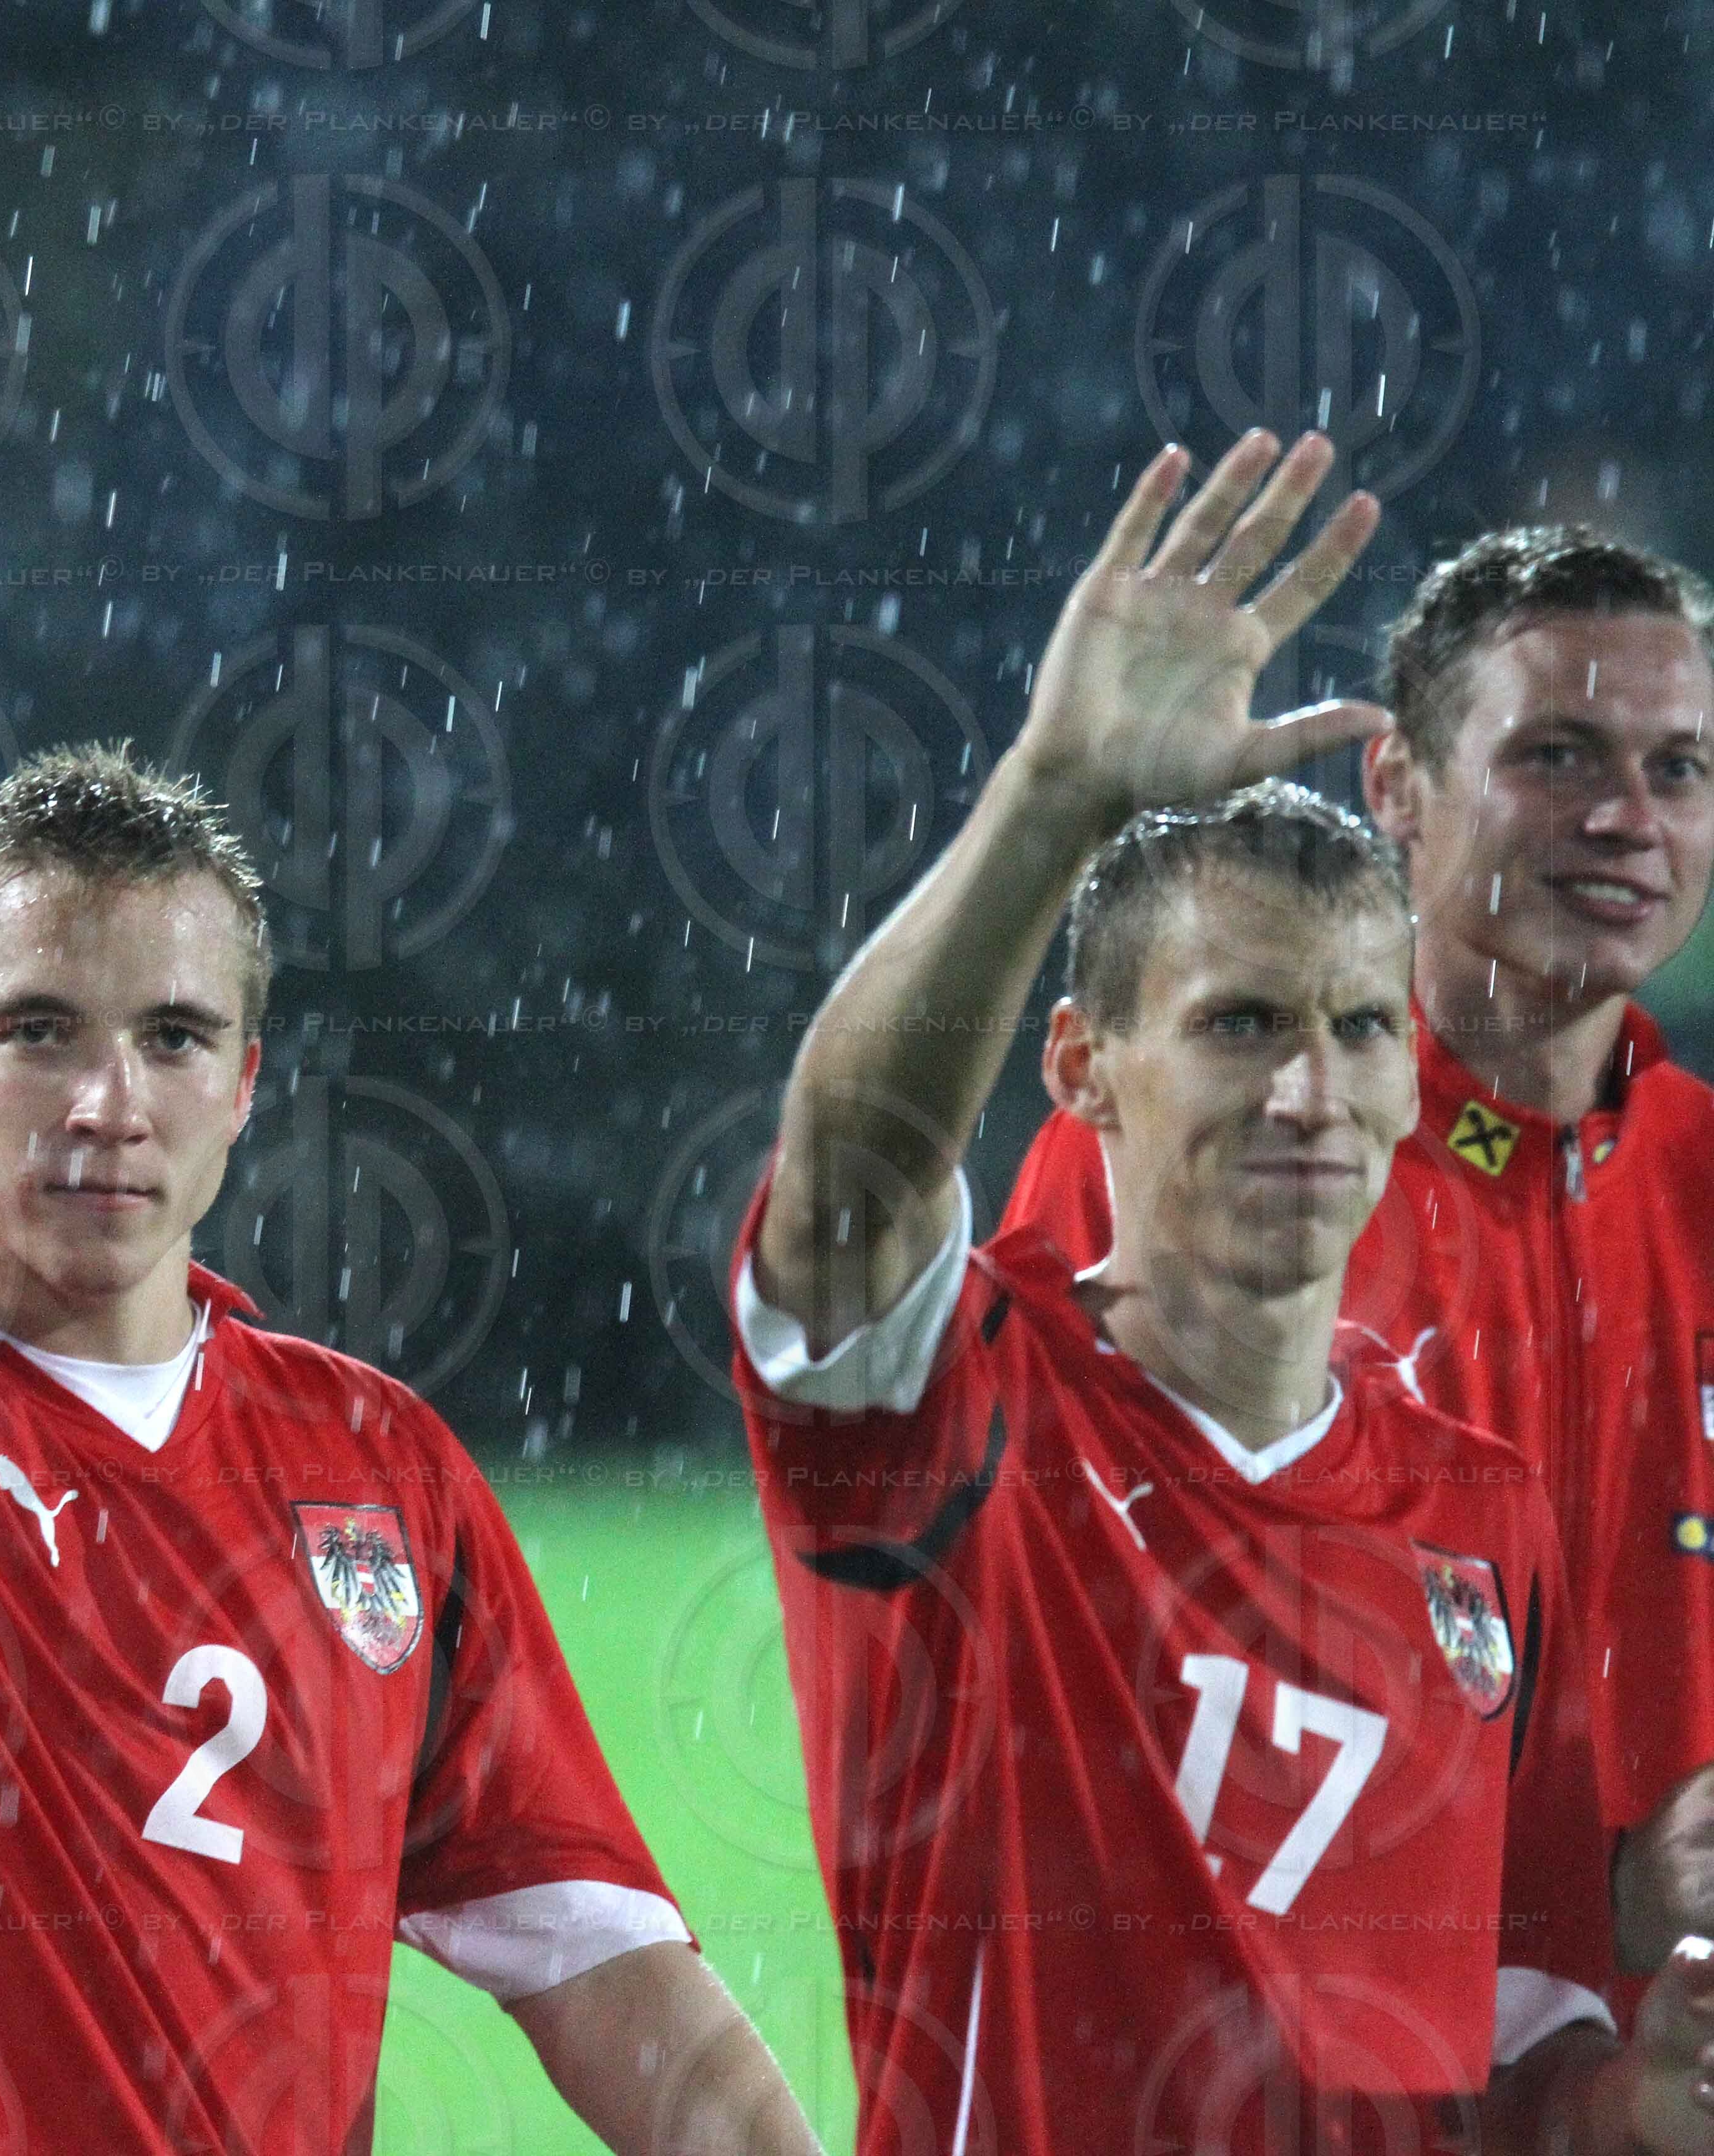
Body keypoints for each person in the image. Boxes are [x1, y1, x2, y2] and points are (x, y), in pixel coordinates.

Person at [0, 231, 820, 2155]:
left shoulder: (380, 1477)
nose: (110, 1100)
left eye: (175, 1038)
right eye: (37, 1031)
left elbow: (610, 1974)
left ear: (245, 1088)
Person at [735, 430, 1714, 2152]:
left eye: (1353, 1031)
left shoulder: (1474, 1510)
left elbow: (1504, 2025)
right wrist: (1054, 794)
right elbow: (851, 1196)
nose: (1303, 1092)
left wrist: (1632, 2079)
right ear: (1081, 1070)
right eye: (1240, 1025)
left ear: (1401, 1080)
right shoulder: (986, 1401)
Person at [994, 525, 1714, 1973]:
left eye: (1679, 767)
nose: (1627, 817)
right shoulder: (1198, 1151)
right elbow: (1041, 1677)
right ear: (1394, 784)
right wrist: (1578, 1905)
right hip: (1294, 2052)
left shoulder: (1696, 1175)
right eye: (1557, 755)